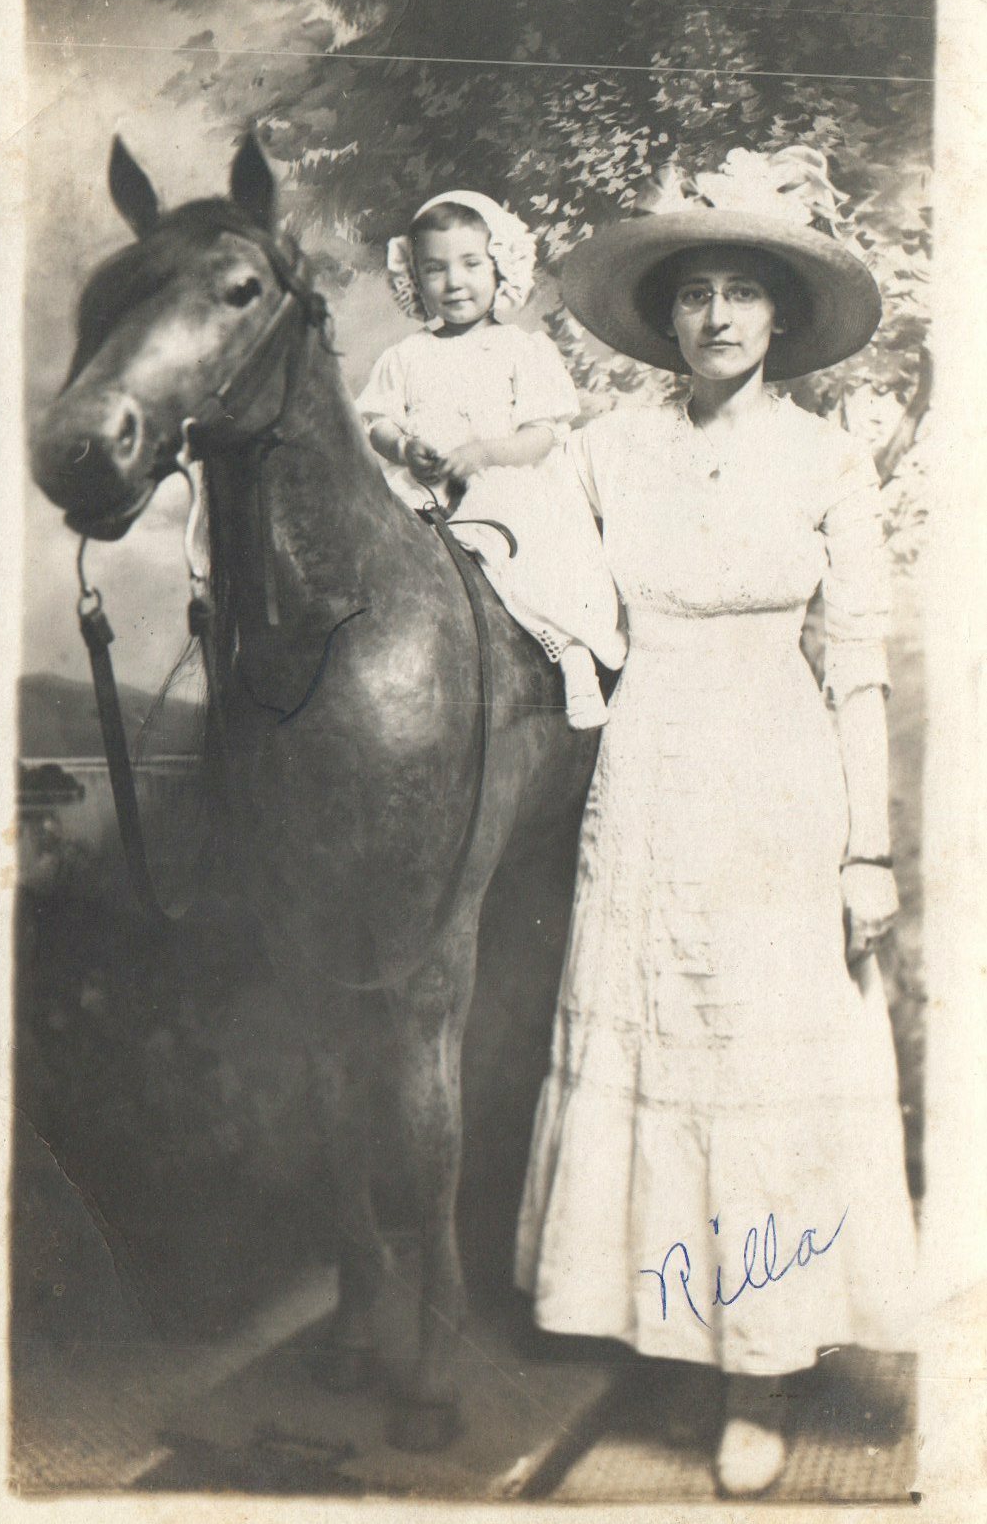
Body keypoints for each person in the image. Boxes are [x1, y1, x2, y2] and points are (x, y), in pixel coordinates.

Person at [513, 147, 918, 1497]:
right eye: (696, 293)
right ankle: (680, 1339)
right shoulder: (604, 450)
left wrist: (866, 849)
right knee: (664, 1050)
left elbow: (854, 658)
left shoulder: (825, 460)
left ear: (781, 319)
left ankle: (763, 1367)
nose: (720, 314)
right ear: (667, 319)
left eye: (746, 291)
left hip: (776, 784)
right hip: (642, 783)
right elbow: (532, 570)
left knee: (758, 1063)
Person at [358, 191, 625, 728]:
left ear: (500, 266)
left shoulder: (522, 351)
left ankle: (574, 658)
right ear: (415, 280)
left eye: (471, 263)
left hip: (508, 484)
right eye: (434, 269)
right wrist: (405, 447)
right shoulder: (405, 356)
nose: (454, 282)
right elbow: (378, 424)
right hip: (427, 491)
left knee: (540, 553)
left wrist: (484, 453)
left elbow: (543, 435)